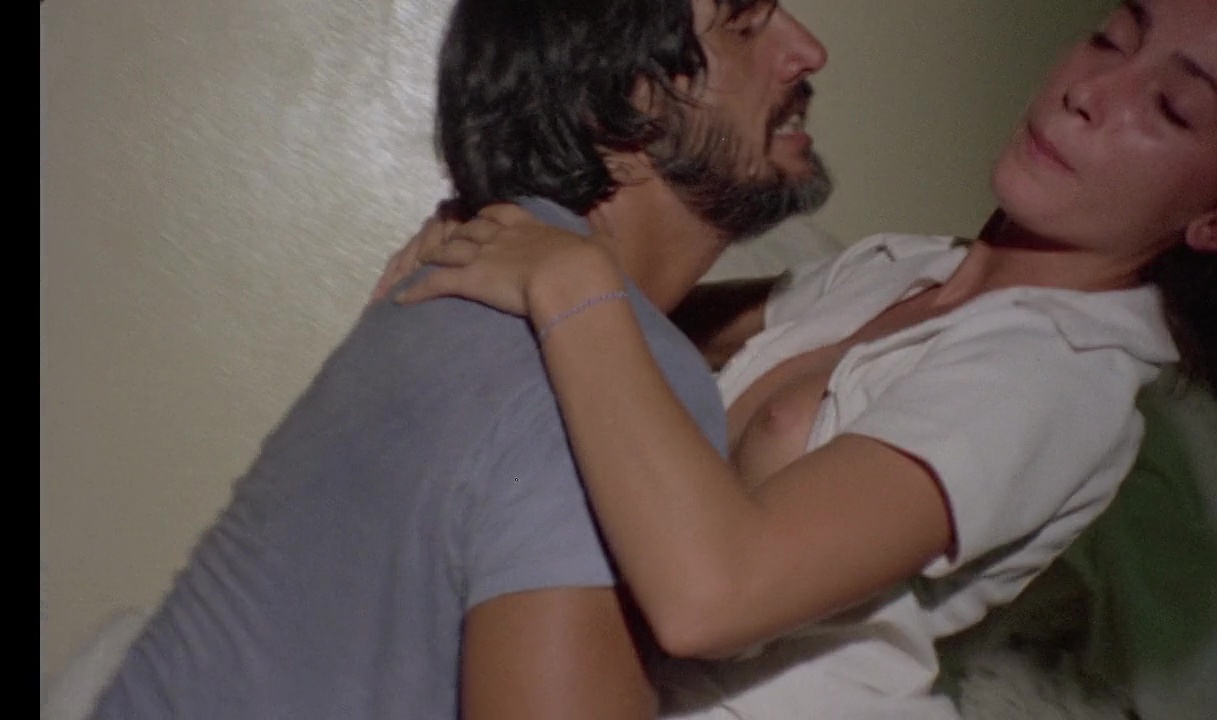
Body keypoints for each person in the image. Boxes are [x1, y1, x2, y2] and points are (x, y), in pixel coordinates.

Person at [385, 0, 1217, 716]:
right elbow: (644, 325)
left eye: (1171, 108)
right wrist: (484, 253)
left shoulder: (1061, 377)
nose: (1089, 93)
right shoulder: (904, 267)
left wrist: (569, 280)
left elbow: (710, 597)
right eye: (1110, 39)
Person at [89, 0, 830, 718]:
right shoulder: (600, 358)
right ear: (623, 98)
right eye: (744, 25)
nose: (808, 52)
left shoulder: (449, 289)